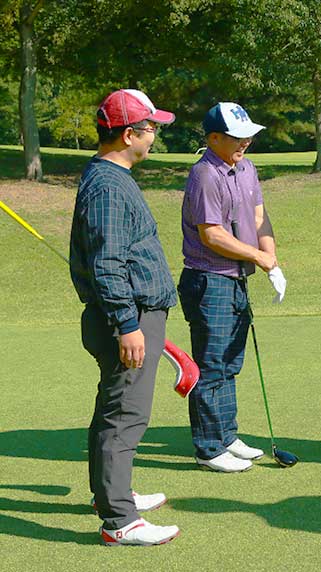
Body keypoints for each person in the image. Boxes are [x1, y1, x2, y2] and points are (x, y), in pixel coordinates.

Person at [70, 89, 180, 546]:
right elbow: (107, 263)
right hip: (127, 317)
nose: (155, 135)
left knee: (115, 410)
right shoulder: (108, 186)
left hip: (130, 315)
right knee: (125, 415)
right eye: (150, 127)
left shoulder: (111, 178)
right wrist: (128, 324)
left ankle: (111, 495)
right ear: (129, 134)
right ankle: (119, 520)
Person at [177, 102, 291, 472]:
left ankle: (226, 435)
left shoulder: (246, 168)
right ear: (214, 138)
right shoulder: (204, 175)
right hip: (208, 279)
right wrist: (258, 258)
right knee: (212, 365)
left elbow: (259, 216)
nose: (246, 142)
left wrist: (270, 256)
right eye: (237, 137)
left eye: (248, 136)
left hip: (237, 279)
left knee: (230, 362)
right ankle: (208, 448)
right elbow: (211, 235)